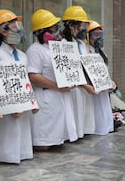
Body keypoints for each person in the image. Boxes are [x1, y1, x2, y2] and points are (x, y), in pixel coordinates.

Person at [0, 9, 38, 163]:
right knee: (8, 136)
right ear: (4, 31)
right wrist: (10, 108)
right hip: (8, 109)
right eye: (15, 27)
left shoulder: (22, 56)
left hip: (22, 106)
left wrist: (32, 101)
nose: (20, 30)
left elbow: (25, 82)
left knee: (21, 135)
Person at [26, 9, 77, 151]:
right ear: (42, 31)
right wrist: (57, 86)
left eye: (56, 27)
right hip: (45, 96)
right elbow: (33, 75)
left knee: (56, 140)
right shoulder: (34, 50)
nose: (56, 30)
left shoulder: (57, 48)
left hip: (59, 97)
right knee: (43, 144)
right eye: (53, 28)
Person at [62, 5, 95, 137]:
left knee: (83, 117)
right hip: (74, 87)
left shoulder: (81, 44)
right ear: (71, 25)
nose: (83, 29)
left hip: (84, 86)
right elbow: (69, 70)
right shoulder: (63, 43)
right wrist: (84, 85)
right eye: (81, 25)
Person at [86, 20, 115, 135]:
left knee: (104, 116)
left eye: (100, 34)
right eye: (95, 34)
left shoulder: (102, 53)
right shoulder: (86, 51)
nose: (99, 38)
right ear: (88, 36)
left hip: (103, 92)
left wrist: (111, 82)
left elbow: (105, 73)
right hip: (93, 92)